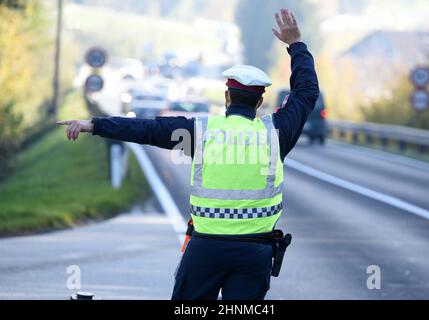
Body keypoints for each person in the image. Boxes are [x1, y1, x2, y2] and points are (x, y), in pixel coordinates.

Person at [58, 8, 319, 300]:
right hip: (254, 254)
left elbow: (147, 129)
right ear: (259, 101)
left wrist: (93, 124)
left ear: (227, 97)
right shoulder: (276, 133)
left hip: (205, 251)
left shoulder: (200, 132)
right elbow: (306, 92)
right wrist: (296, 45)